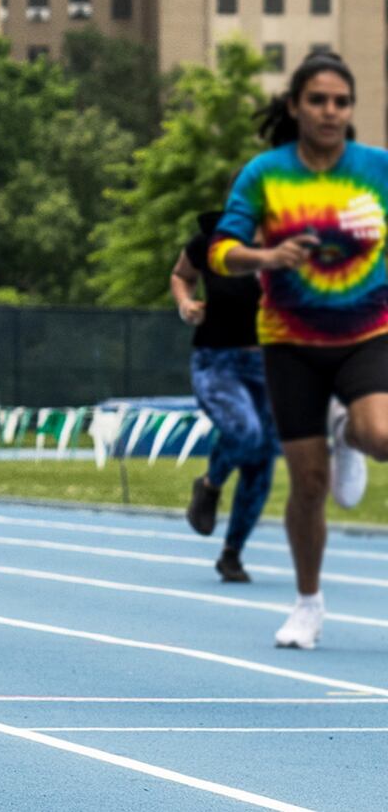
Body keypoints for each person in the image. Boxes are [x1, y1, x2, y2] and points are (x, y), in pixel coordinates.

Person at [210, 51, 388, 649]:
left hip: (366, 332)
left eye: (341, 101)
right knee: (308, 483)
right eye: (318, 100)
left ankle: (350, 433)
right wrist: (265, 258)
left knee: (382, 435)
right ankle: (307, 604)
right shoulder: (265, 173)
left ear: (351, 109)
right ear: (296, 106)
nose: (330, 111)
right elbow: (220, 250)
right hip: (290, 341)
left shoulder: (377, 169)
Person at [174, 208, 278, 582]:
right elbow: (181, 275)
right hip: (217, 362)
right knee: (245, 432)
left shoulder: (292, 245)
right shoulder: (210, 243)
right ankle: (210, 485)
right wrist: (185, 303)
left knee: (261, 462)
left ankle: (232, 553)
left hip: (270, 366)